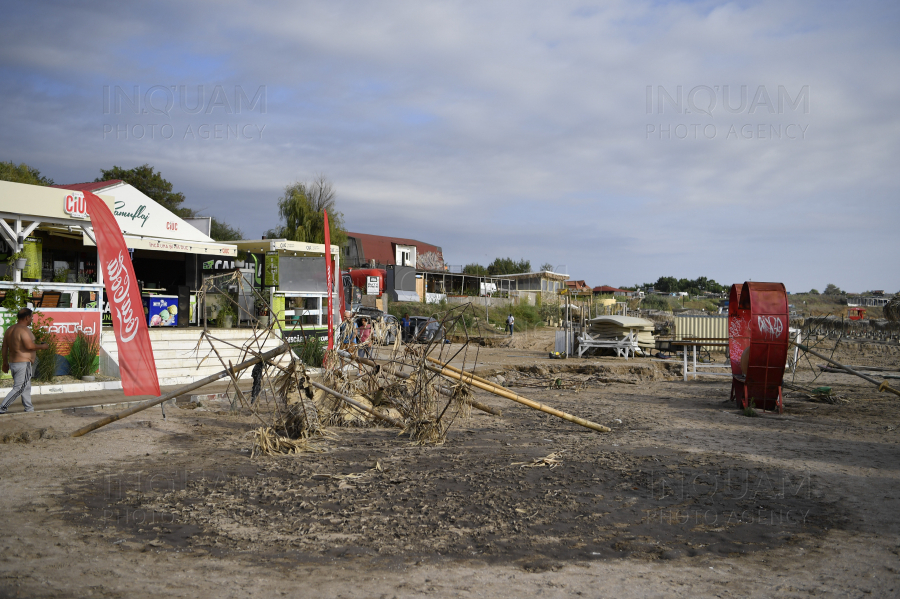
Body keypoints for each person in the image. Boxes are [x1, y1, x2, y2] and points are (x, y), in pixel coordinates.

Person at [1, 308, 50, 414]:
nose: (32, 319)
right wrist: (43, 347)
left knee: (26, 387)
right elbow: (29, 346)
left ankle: (29, 409)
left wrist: (5, 362)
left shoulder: (10, 329)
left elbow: (4, 347)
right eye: (32, 317)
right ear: (27, 317)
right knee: (19, 388)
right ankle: (2, 408)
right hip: (23, 363)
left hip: (14, 363)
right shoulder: (23, 330)